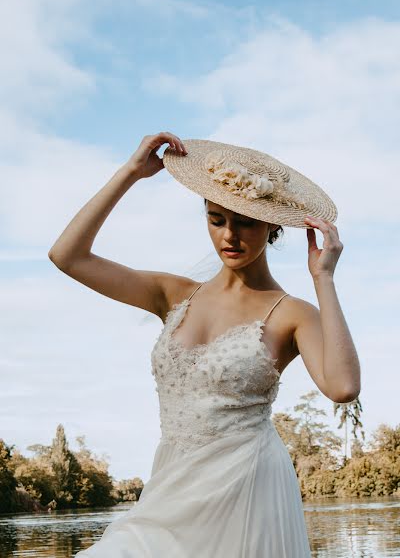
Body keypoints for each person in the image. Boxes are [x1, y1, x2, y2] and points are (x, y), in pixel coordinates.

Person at [48, 131, 361, 557]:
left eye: (245, 222)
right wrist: (130, 174)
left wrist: (323, 278)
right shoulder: (172, 293)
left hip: (247, 487)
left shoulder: (292, 313)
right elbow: (68, 256)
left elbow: (343, 388)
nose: (229, 236)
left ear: (271, 225)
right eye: (216, 220)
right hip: (172, 487)